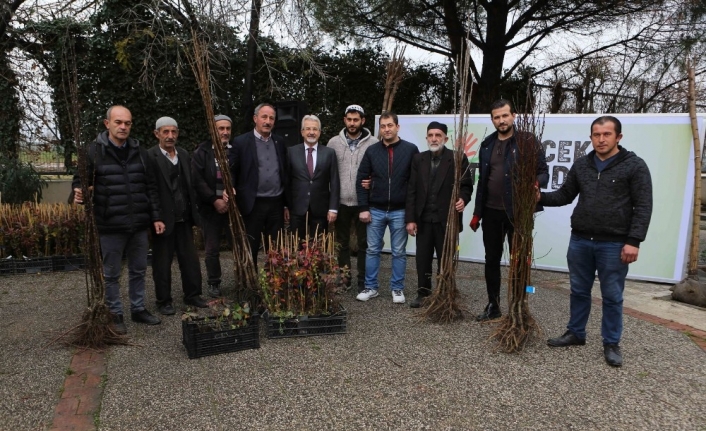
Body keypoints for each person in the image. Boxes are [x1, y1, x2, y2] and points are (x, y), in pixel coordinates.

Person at [540, 116, 653, 367]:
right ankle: (576, 333)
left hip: (613, 244)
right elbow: (565, 195)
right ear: (591, 137)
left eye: (607, 134)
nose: (601, 139)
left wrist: (634, 241)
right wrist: (538, 197)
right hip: (580, 240)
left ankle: (611, 342)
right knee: (579, 290)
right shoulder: (582, 165)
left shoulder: (634, 166)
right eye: (596, 134)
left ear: (618, 137)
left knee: (612, 295)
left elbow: (643, 206)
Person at [72, 105, 163, 334]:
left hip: (139, 224)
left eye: (127, 123)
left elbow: (151, 187)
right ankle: (115, 313)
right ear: (107, 124)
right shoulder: (93, 152)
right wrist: (79, 191)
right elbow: (79, 182)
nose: (123, 127)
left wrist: (156, 217)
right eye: (118, 122)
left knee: (139, 270)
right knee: (111, 273)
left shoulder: (140, 152)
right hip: (110, 224)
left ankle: (138, 308)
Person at [470, 99, 549, 321]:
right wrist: (477, 213)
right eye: (497, 117)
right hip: (491, 212)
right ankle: (493, 305)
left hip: (518, 213)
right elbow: (482, 182)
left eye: (505, 115)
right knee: (491, 259)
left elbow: (543, 171)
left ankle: (518, 307)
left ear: (513, 116)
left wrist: (534, 185)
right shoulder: (487, 145)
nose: (501, 120)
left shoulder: (527, 141)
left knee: (519, 259)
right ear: (492, 120)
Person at [405, 121, 474, 308]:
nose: (434, 138)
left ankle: (444, 293)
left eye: (438, 135)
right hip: (424, 220)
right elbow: (411, 190)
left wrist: (463, 198)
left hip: (448, 220)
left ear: (446, 138)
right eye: (431, 135)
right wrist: (410, 219)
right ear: (427, 138)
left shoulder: (458, 158)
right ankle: (423, 293)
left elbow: (467, 185)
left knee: (445, 259)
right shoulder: (419, 159)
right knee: (422, 259)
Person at [355, 112, 419, 304]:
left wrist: (411, 215)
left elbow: (415, 184)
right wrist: (364, 207)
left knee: (399, 251)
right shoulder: (372, 151)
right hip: (375, 209)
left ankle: (397, 289)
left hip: (400, 210)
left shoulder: (410, 150)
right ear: (380, 129)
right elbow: (361, 179)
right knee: (372, 249)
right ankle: (371, 287)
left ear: (397, 127)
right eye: (383, 126)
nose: (386, 129)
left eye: (390, 125)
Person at [147, 117, 208, 315]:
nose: (170, 136)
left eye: (173, 132)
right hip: (163, 221)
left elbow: (189, 186)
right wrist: (156, 217)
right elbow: (151, 190)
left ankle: (193, 295)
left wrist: (195, 214)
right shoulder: (151, 157)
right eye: (165, 132)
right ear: (157, 134)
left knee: (190, 259)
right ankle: (163, 300)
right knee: (162, 263)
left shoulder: (183, 154)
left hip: (184, 218)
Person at [327, 104, 378, 292]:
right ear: (344, 120)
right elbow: (328, 171)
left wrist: (372, 183)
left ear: (363, 121)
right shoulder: (333, 143)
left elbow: (379, 171)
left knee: (365, 244)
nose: (352, 123)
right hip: (341, 201)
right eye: (349, 119)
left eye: (356, 119)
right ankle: (345, 278)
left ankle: (363, 281)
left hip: (364, 202)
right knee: (342, 242)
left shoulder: (373, 143)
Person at [231, 103, 288, 264]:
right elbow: (233, 171)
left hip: (276, 202)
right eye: (264, 117)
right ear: (255, 118)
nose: (268, 121)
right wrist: (231, 189)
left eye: (271, 118)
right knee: (251, 245)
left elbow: (285, 172)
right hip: (252, 203)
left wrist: (285, 204)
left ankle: (273, 283)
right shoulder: (241, 142)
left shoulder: (279, 142)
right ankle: (252, 284)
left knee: (275, 247)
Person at [191, 114, 234, 298]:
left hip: (233, 208)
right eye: (221, 128)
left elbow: (243, 173)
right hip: (210, 208)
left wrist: (233, 192)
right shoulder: (202, 152)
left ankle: (241, 278)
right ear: (213, 130)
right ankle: (214, 282)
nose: (225, 132)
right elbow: (197, 180)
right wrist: (214, 200)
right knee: (212, 248)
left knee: (238, 246)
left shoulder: (236, 150)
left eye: (228, 129)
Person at [286, 115, 340, 240]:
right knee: (297, 247)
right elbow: (287, 181)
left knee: (319, 247)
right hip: (297, 208)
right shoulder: (291, 152)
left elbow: (335, 182)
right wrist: (285, 206)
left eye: (315, 129)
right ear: (302, 132)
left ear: (320, 132)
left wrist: (333, 208)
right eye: (308, 129)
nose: (311, 132)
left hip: (321, 209)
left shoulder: (329, 153)